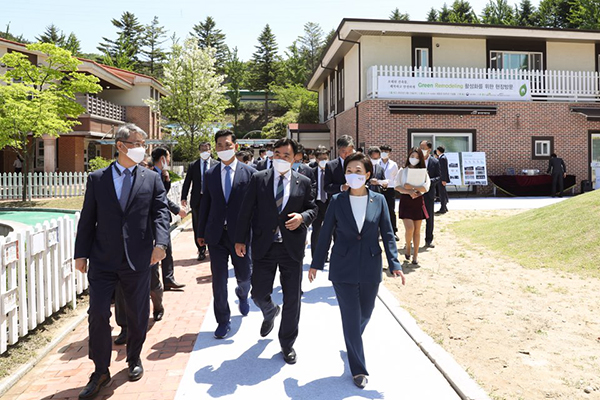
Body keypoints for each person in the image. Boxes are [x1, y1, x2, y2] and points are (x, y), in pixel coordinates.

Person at [74, 123, 170, 399]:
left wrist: (161, 244)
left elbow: (160, 214)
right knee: (98, 313)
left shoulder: (150, 179)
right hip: (102, 259)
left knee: (138, 314)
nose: (144, 148)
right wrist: (81, 253)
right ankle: (100, 369)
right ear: (121, 146)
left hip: (138, 258)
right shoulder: (97, 179)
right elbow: (87, 218)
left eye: (144, 143)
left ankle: (134, 358)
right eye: (138, 143)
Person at [309, 152, 405, 389]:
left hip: (371, 265)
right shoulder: (337, 201)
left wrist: (395, 264)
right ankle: (358, 369)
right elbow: (324, 233)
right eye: (349, 171)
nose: (353, 175)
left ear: (368, 175)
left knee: (365, 314)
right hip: (343, 268)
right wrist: (316, 263)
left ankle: (352, 341)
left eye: (358, 171)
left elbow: (388, 234)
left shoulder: (379, 201)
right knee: (351, 318)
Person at [235, 138, 317, 365]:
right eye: (277, 154)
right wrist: (240, 239)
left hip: (292, 247)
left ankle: (287, 343)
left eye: (286, 155)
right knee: (258, 293)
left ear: (295, 158)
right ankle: (270, 311)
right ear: (272, 155)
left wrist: (303, 218)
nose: (281, 159)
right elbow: (246, 210)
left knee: (293, 298)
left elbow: (313, 208)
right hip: (264, 245)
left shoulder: (304, 181)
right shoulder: (258, 179)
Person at [197, 130, 256, 339]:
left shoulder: (249, 173)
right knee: (219, 280)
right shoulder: (211, 174)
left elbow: (254, 208)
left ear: (236, 146)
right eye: (219, 145)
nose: (223, 149)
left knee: (245, 275)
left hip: (240, 236)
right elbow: (205, 203)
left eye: (227, 144)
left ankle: (242, 293)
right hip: (216, 235)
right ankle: (223, 320)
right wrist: (200, 232)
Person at [151, 147, 187, 290]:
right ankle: (155, 285)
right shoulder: (152, 175)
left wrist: (166, 177)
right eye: (168, 157)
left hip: (163, 220)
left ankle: (168, 279)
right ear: (162, 159)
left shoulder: (161, 174)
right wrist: (177, 210)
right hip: (155, 220)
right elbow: (161, 198)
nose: (170, 160)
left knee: (168, 250)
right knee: (158, 250)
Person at [181, 142, 219, 261]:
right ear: (199, 151)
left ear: (211, 150)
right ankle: (201, 249)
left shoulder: (217, 164)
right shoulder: (193, 165)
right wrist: (183, 197)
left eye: (207, 149)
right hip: (198, 199)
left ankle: (213, 247)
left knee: (212, 222)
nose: (205, 152)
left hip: (213, 199)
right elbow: (187, 182)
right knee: (198, 224)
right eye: (202, 150)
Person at [395, 148, 431, 265]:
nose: (414, 159)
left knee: (417, 230)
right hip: (406, 200)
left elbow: (426, 187)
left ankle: (415, 255)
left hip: (418, 200)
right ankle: (407, 247)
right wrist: (408, 191)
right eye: (412, 156)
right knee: (409, 228)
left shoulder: (423, 172)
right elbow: (397, 186)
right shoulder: (403, 171)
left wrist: (412, 187)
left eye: (416, 157)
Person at [419, 140, 441, 248]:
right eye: (420, 147)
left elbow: (438, 177)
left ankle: (428, 239)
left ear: (429, 149)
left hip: (429, 193)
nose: (422, 150)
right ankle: (414, 239)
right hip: (416, 193)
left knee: (429, 217)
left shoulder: (435, 162)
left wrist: (429, 182)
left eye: (424, 148)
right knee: (415, 218)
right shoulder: (415, 161)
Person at [310, 147, 330, 257]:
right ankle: (316, 255)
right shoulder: (311, 172)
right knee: (316, 230)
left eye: (325, 158)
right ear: (316, 159)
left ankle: (325, 254)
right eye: (321, 158)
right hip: (316, 203)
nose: (323, 160)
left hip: (329, 202)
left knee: (329, 230)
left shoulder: (331, 171)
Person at [379, 145, 400, 240]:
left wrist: (390, 184)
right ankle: (378, 231)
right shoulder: (376, 163)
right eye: (382, 151)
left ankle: (393, 231)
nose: (384, 153)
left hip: (390, 189)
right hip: (378, 188)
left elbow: (395, 177)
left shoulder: (393, 164)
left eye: (386, 151)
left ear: (389, 153)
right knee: (378, 211)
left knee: (391, 210)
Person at [436, 146, 450, 214]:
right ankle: (444, 207)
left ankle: (443, 208)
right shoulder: (442, 157)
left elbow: (443, 170)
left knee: (442, 193)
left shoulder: (442, 158)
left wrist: (444, 179)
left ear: (439, 151)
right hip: (441, 178)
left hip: (442, 179)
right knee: (442, 192)